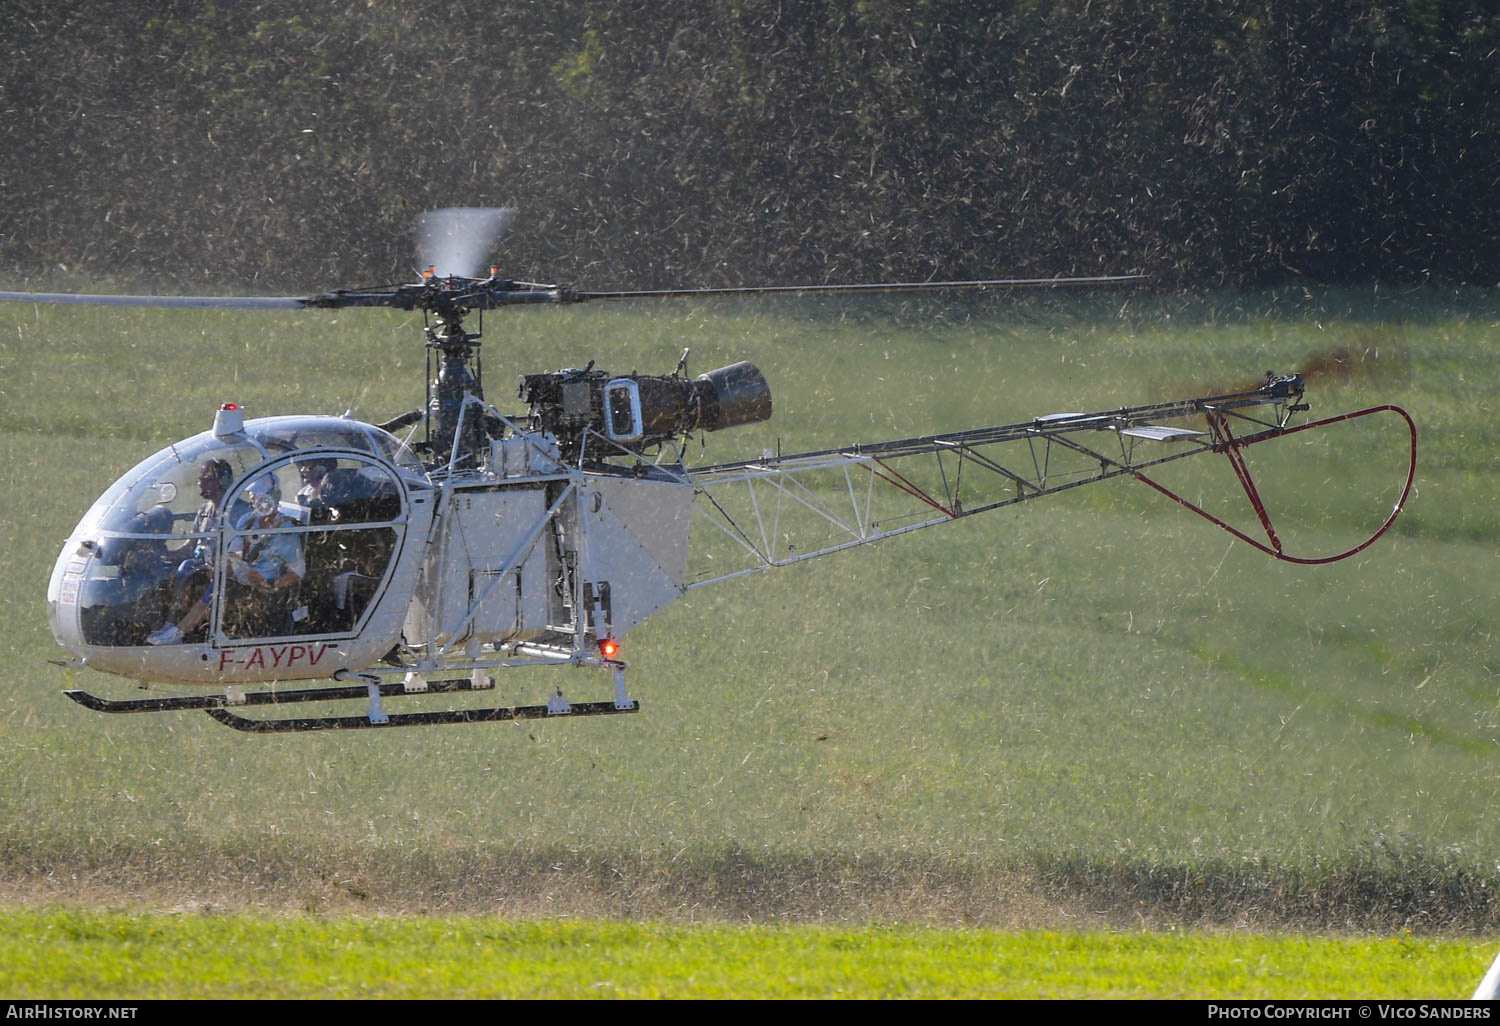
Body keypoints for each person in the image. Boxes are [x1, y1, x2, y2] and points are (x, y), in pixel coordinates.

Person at [147, 475, 305, 644]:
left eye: (258, 496)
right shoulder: (248, 520)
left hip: (262, 588)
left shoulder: (285, 531)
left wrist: (270, 583)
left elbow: (298, 571)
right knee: (197, 573)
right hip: (243, 576)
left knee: (219, 585)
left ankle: (178, 633)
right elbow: (234, 551)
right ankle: (172, 624)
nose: (253, 500)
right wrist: (223, 562)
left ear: (272, 496)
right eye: (252, 496)